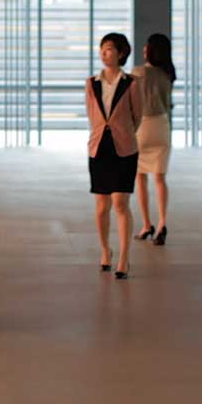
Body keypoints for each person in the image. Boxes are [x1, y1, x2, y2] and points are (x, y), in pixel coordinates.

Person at [87, 32, 140, 278]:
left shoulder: (131, 83)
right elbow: (92, 114)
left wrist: (123, 133)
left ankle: (124, 258)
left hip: (124, 147)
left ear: (121, 53)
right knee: (101, 206)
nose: (103, 53)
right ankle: (105, 250)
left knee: (120, 202)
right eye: (102, 49)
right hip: (99, 147)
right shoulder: (92, 83)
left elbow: (137, 116)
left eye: (108, 49)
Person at [133, 33, 176, 246]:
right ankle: (162, 224)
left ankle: (146, 225)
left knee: (140, 176)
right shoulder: (168, 74)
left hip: (143, 126)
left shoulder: (138, 72)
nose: (143, 50)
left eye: (145, 47)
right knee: (160, 178)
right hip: (163, 125)